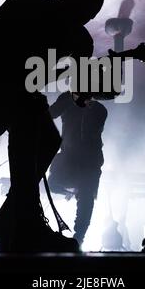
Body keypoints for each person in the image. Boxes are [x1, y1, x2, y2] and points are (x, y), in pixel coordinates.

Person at [0, 0, 112, 252]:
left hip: (20, 97)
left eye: (90, 14)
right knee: (33, 121)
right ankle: (24, 223)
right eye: (84, 8)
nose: (84, 17)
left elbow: (80, 93)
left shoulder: (80, 41)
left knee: (49, 139)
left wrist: (103, 86)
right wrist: (3, 80)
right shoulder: (28, 4)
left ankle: (11, 217)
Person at [48, 91, 107, 246]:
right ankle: (72, 194)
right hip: (71, 157)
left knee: (86, 198)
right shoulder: (68, 99)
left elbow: (90, 131)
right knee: (53, 183)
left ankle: (78, 238)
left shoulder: (99, 110)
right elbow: (50, 114)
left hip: (89, 160)